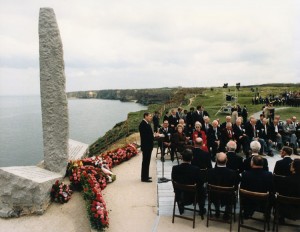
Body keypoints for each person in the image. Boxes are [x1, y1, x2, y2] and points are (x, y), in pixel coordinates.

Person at [171, 149, 206, 215]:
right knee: (203, 189)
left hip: (180, 194)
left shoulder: (175, 168)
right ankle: (201, 210)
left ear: (181, 157)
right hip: (193, 196)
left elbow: (174, 180)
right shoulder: (196, 169)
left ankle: (181, 207)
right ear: (192, 158)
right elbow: (201, 182)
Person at [207, 152, 240, 220]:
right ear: (227, 160)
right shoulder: (233, 173)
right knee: (232, 194)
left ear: (216, 160)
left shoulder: (209, 172)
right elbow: (237, 185)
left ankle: (217, 210)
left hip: (213, 195)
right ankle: (227, 213)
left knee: (215, 193)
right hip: (228, 196)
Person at [139, 112, 156, 183]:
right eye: (149, 116)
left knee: (147, 161)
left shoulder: (146, 123)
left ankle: (146, 175)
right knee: (145, 161)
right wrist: (153, 136)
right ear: (145, 116)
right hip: (146, 146)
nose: (151, 117)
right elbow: (145, 136)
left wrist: (153, 135)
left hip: (148, 146)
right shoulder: (142, 124)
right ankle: (144, 178)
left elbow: (149, 134)